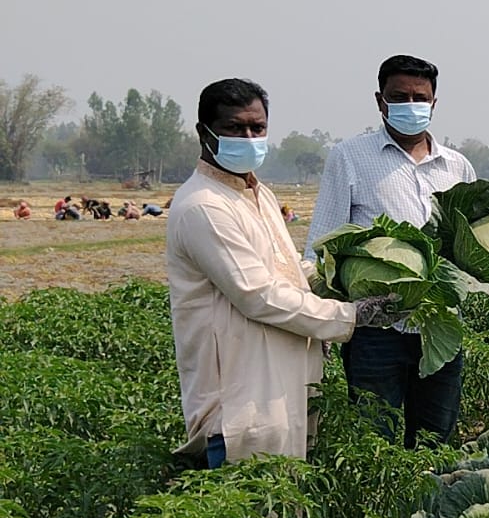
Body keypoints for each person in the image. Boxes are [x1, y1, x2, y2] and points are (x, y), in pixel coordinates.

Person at [168, 77, 406, 468]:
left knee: (283, 510)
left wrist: (337, 278)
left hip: (284, 384)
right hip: (241, 394)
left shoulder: (257, 193)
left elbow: (287, 269)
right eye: (234, 128)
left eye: (257, 128)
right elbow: (257, 295)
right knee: (249, 513)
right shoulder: (204, 207)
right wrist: (350, 314)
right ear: (203, 133)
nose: (248, 137)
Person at [303, 55, 476, 447]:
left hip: (439, 327)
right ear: (380, 101)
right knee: (371, 439)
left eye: (420, 97)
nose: (411, 106)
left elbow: (469, 250)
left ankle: (431, 507)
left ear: (434, 104)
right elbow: (323, 243)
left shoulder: (458, 167)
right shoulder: (349, 157)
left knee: (436, 439)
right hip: (373, 329)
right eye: (400, 97)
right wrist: (324, 324)